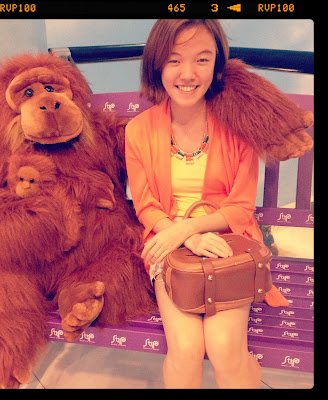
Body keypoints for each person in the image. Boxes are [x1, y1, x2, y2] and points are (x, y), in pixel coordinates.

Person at [125, 19, 278, 389]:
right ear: (157, 64)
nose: (188, 74)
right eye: (175, 60)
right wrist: (183, 237)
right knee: (186, 347)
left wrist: (190, 228)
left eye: (202, 59)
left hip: (229, 242)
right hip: (168, 245)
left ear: (217, 64)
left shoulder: (239, 125)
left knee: (224, 346)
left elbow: (240, 208)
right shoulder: (139, 130)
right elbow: (146, 206)